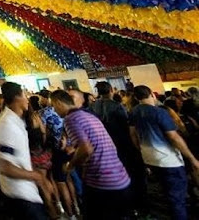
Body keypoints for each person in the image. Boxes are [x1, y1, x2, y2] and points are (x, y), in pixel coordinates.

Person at [50, 90, 131, 219]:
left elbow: (86, 148)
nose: (54, 110)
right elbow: (108, 144)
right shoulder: (88, 115)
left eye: (53, 106)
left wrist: (70, 165)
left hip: (102, 181)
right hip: (119, 177)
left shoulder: (70, 119)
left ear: (58, 103)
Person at [129, 85, 199, 220]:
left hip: (150, 158)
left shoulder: (134, 112)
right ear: (152, 94)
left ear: (136, 97)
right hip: (168, 159)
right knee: (177, 197)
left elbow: (133, 134)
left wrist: (142, 150)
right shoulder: (159, 112)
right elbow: (173, 136)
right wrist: (191, 158)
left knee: (168, 191)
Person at [0, 82, 47, 220]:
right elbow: (5, 166)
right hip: (20, 194)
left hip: (26, 191)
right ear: (17, 98)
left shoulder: (16, 121)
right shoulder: (6, 124)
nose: (27, 99)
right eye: (24, 95)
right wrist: (36, 176)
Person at [90, 81, 146, 214]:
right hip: (121, 142)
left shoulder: (93, 106)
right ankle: (135, 205)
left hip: (104, 143)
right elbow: (126, 125)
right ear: (110, 90)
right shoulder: (117, 106)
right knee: (130, 172)